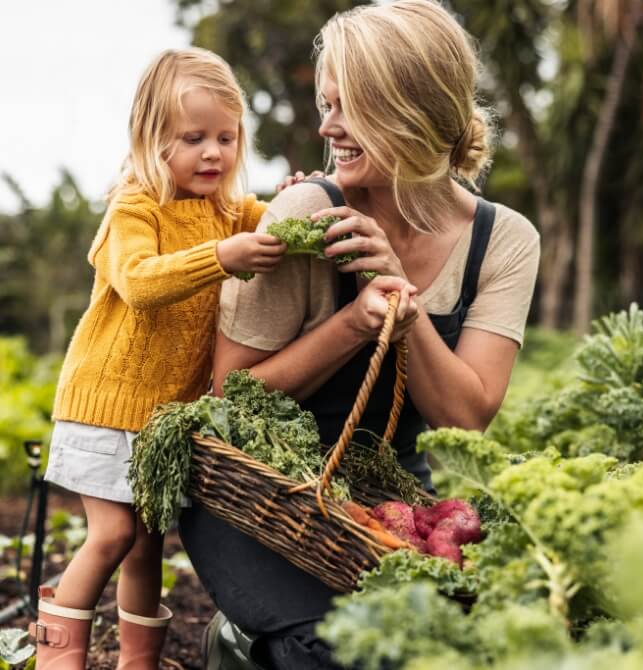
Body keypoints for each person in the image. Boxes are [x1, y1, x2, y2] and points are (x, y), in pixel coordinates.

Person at [180, 1, 540, 668]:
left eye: (347, 107)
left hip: (384, 499)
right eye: (326, 104)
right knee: (336, 652)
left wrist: (400, 296)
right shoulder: (308, 213)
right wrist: (353, 322)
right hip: (261, 496)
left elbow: (465, 414)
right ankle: (238, 642)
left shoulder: (503, 240)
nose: (326, 127)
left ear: (410, 109)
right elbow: (230, 395)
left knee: (473, 644)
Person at [30, 48, 286, 670]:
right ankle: (57, 659)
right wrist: (222, 257)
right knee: (113, 536)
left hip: (161, 423)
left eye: (226, 138)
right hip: (105, 405)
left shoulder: (228, 210)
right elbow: (141, 281)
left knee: (146, 549)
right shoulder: (134, 206)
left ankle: (137, 663)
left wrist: (296, 197)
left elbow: (277, 220)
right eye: (193, 138)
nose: (213, 154)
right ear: (152, 138)